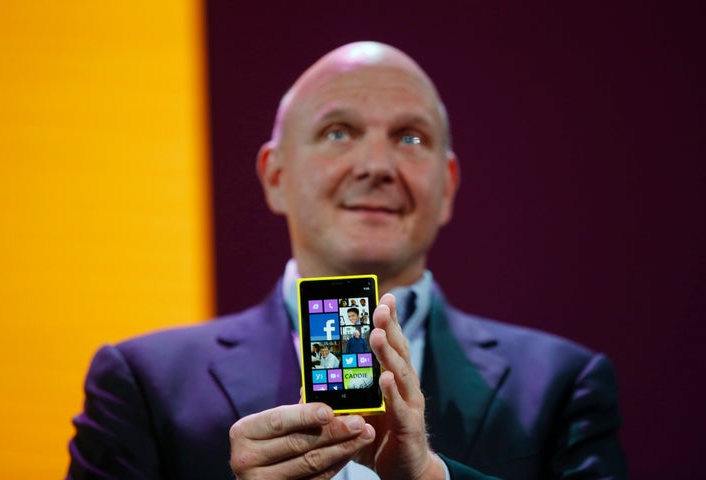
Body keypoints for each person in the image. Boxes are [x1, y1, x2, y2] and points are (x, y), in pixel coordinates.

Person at [68, 41, 626, 479]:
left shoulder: (561, 384)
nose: (377, 165)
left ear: (448, 185)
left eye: (410, 138)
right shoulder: (143, 383)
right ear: (276, 177)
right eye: (339, 132)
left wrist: (431, 478)